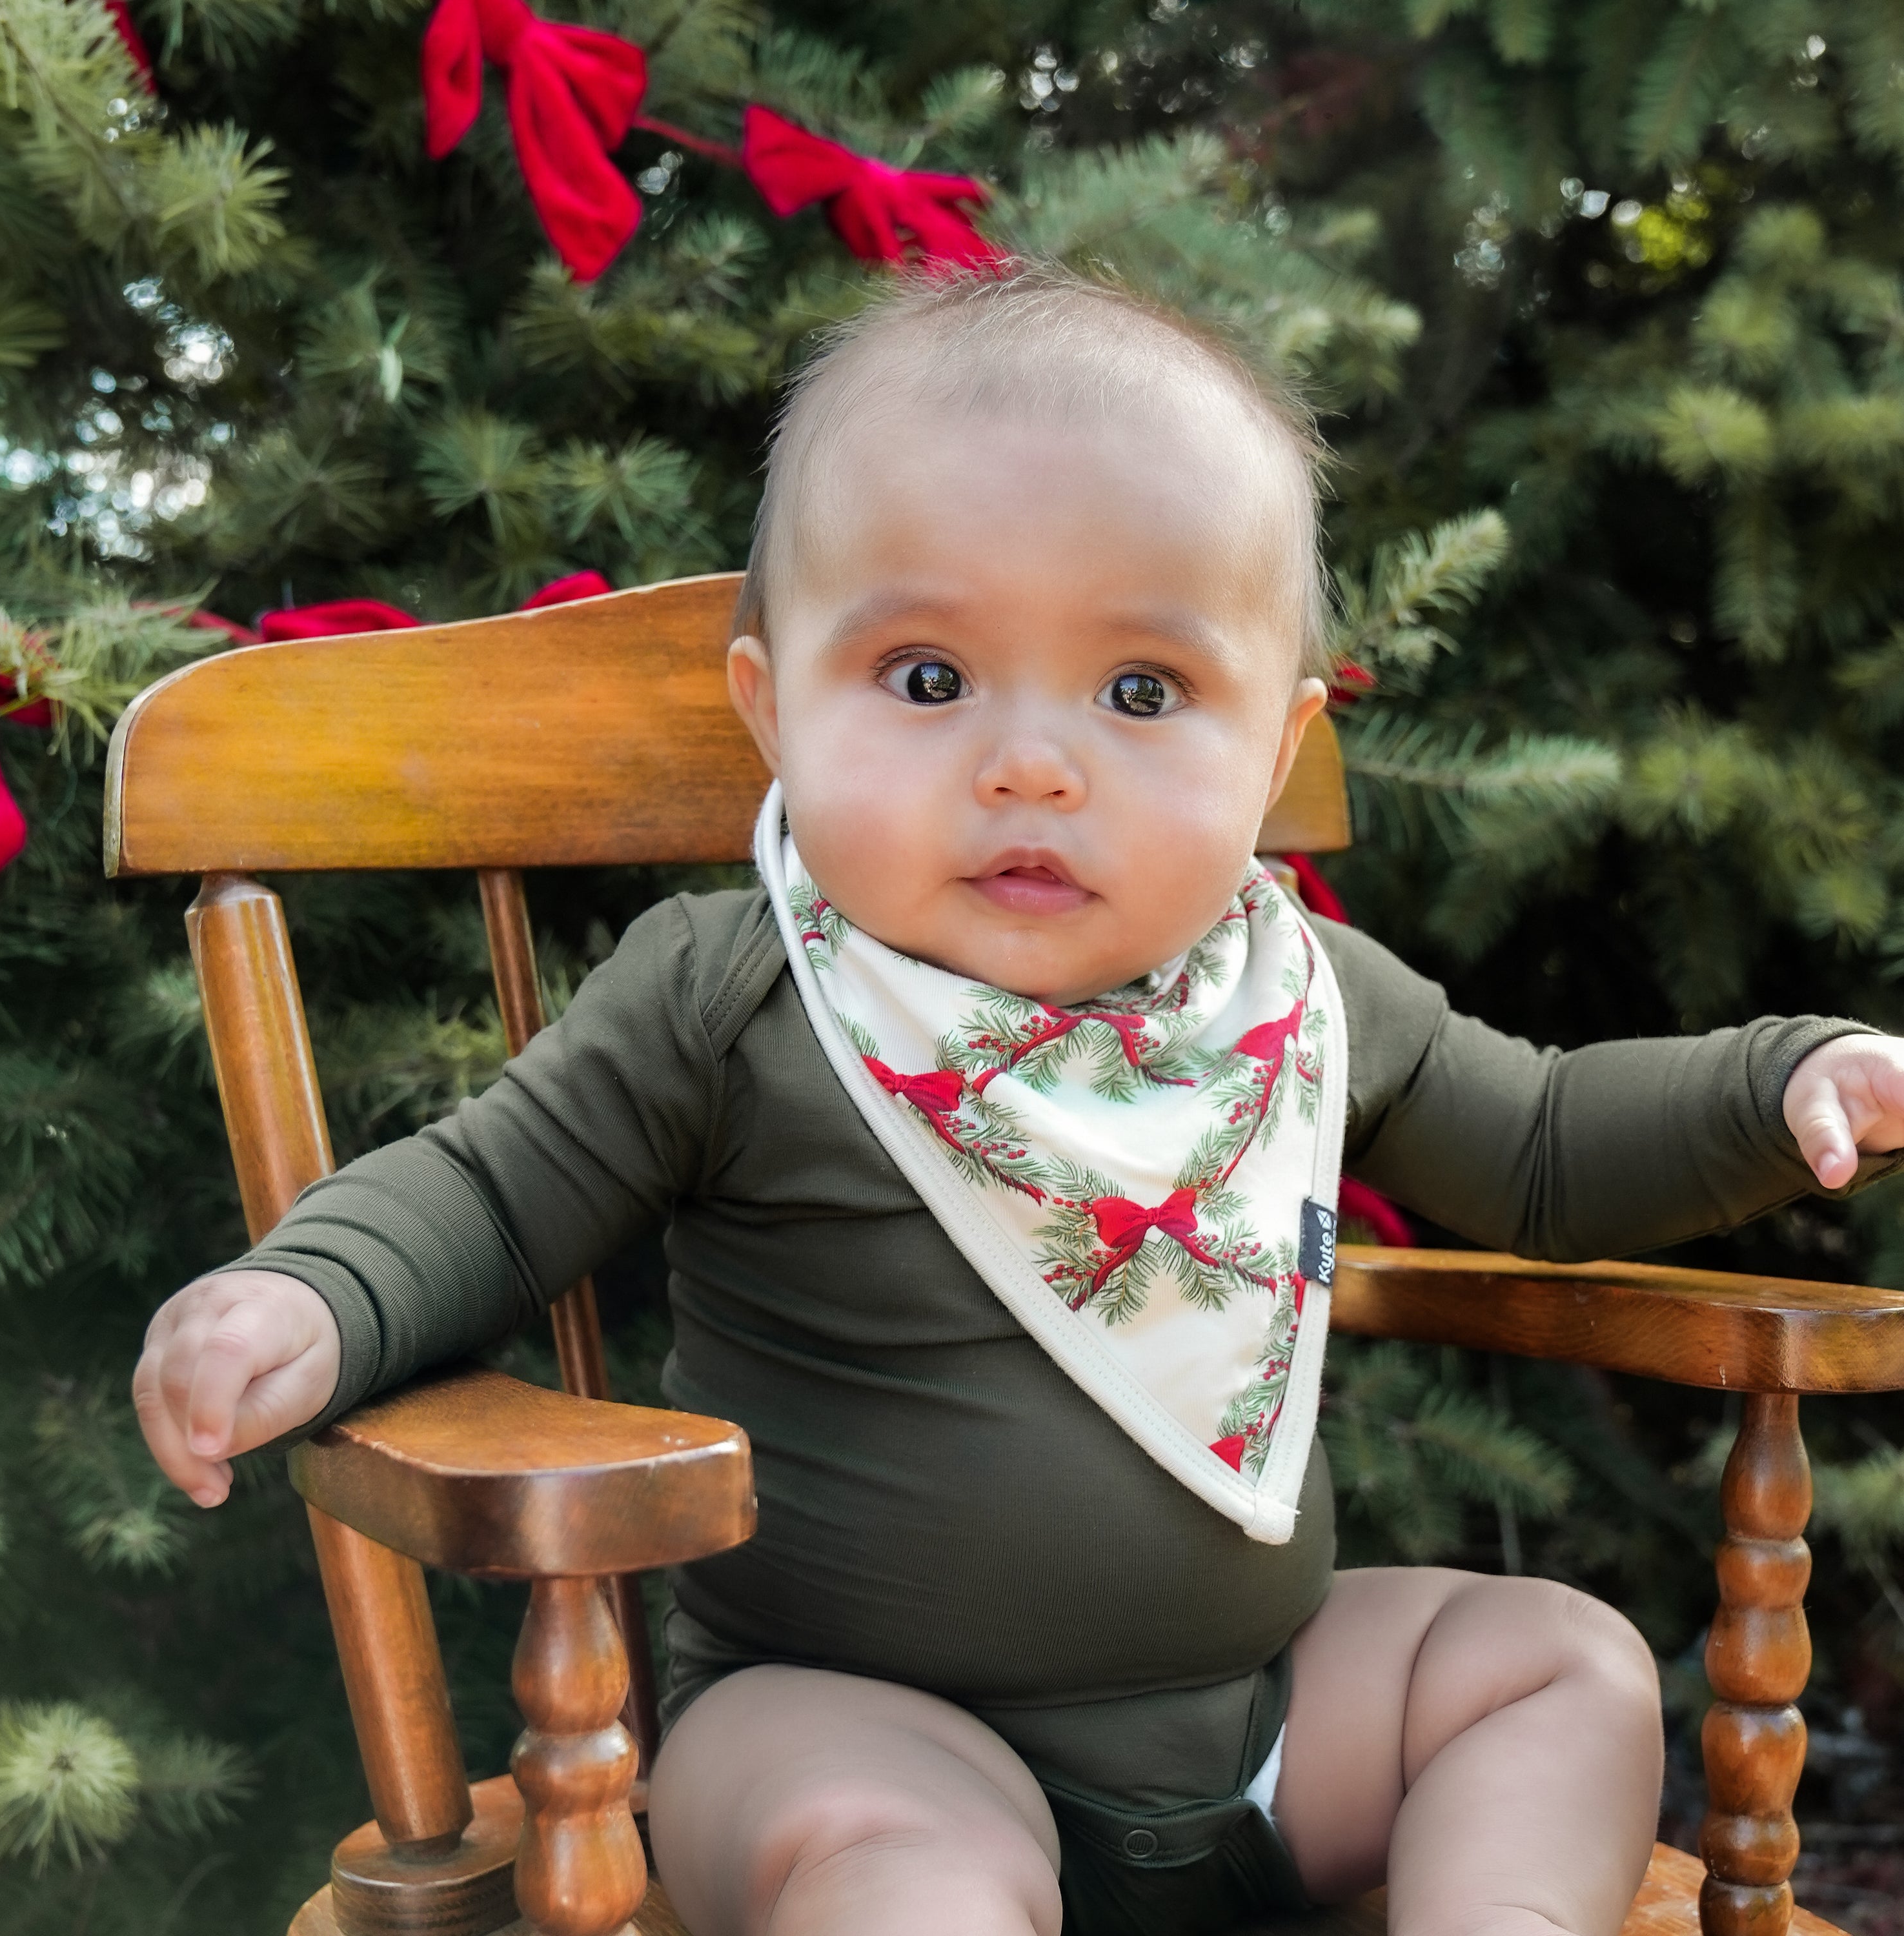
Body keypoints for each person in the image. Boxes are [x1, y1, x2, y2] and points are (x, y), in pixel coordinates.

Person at [133, 263, 1904, 1936]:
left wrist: (1781, 1081)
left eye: (1144, 690)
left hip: (1269, 1732)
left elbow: (1538, 1148)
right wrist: (314, 1291)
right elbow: (494, 1196)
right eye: (927, 679)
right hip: (853, 1725)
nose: (1033, 761)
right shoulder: (736, 991)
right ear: (774, 710)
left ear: (1274, 754)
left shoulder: (1297, 999)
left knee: (1560, 1666)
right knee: (899, 1862)